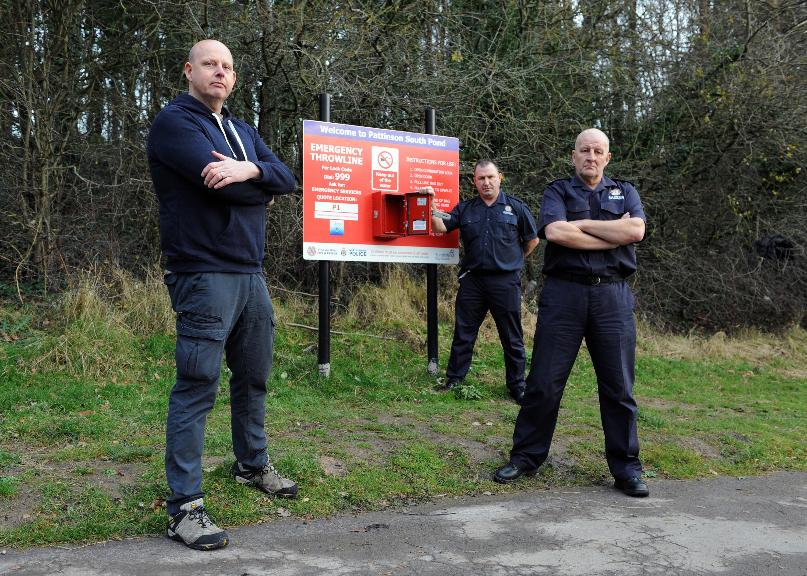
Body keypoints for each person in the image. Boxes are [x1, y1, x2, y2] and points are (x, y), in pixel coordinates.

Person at [147, 39, 298, 551]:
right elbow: (223, 188)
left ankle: (251, 464)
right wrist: (254, 184)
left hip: (250, 273)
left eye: (228, 66)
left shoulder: (244, 130)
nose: (220, 72)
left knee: (254, 375)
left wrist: (250, 169)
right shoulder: (176, 124)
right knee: (197, 384)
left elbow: (287, 179)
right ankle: (184, 507)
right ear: (189, 70)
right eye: (210, 63)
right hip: (202, 272)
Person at [493, 128, 650, 497]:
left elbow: (637, 230)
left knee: (619, 388)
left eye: (598, 151)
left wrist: (581, 226)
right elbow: (557, 234)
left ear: (607, 157)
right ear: (573, 155)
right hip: (564, 296)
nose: (590, 156)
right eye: (584, 150)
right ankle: (526, 457)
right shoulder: (557, 191)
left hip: (613, 297)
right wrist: (612, 232)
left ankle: (627, 469)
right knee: (544, 382)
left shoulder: (626, 191)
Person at [431, 160, 539, 404]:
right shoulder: (466, 209)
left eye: (490, 177)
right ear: (475, 181)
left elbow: (532, 240)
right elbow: (441, 226)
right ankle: (455, 380)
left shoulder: (516, 208)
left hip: (505, 283)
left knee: (512, 337)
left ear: (500, 177)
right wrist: (432, 207)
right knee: (464, 333)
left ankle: (517, 387)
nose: (486, 182)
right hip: (473, 282)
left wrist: (514, 259)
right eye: (481, 179)